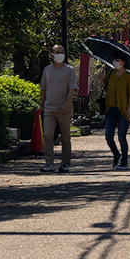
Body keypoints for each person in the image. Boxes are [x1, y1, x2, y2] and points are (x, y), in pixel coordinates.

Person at [39, 44, 77, 173]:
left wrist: (67, 105)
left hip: (64, 109)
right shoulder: (47, 70)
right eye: (57, 52)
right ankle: (49, 163)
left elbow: (72, 89)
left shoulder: (70, 70)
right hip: (49, 108)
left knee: (65, 137)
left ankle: (65, 163)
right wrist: (41, 105)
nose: (60, 54)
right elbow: (43, 89)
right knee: (48, 135)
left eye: (62, 51)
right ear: (52, 55)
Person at [103, 58, 130, 170]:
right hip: (110, 108)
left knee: (121, 137)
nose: (115, 62)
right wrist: (101, 80)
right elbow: (107, 89)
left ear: (123, 62)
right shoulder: (111, 74)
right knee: (108, 136)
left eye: (118, 60)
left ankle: (124, 161)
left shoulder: (129, 76)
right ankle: (116, 154)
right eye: (114, 60)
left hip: (123, 109)